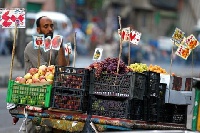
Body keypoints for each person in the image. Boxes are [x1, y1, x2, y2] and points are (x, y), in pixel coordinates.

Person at [23, 16, 68, 133]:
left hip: (52, 92)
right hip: (36, 91)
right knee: (35, 127)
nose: (50, 29)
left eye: (52, 26)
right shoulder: (32, 46)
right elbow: (43, 69)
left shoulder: (54, 46)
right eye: (46, 26)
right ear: (38, 30)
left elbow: (63, 67)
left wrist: (61, 46)